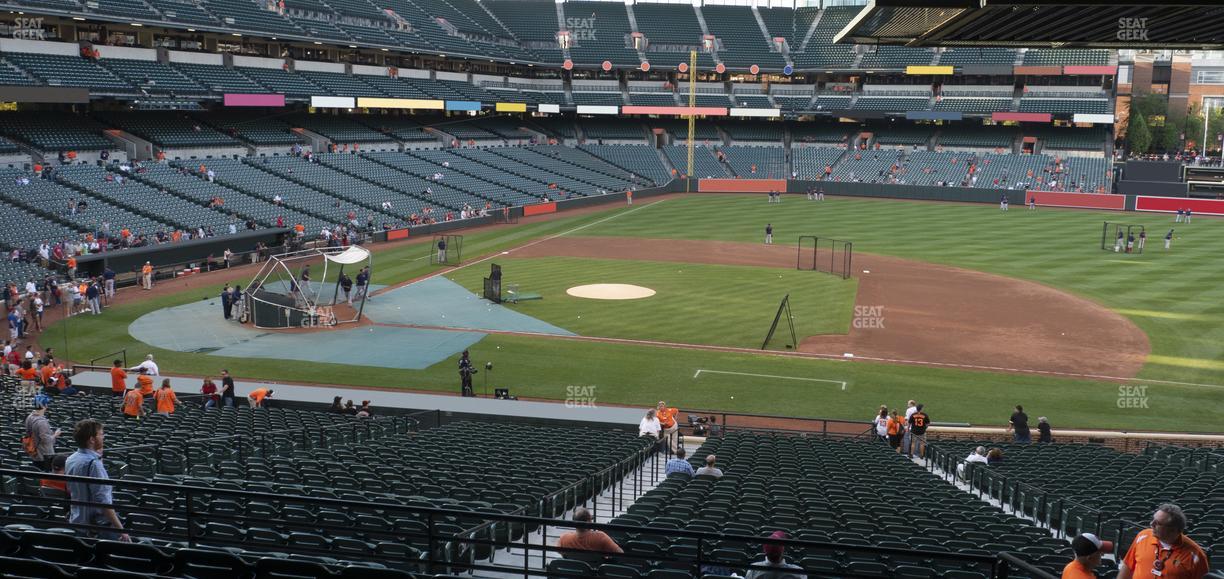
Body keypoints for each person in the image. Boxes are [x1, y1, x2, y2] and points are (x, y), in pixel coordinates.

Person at [65, 419, 130, 541]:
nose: (103, 437)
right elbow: (103, 502)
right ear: (92, 439)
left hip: (77, 521)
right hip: (97, 527)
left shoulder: (70, 459)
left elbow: (73, 488)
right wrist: (121, 530)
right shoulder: (94, 464)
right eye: (101, 434)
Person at [1118, 504, 1209, 579]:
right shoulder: (1143, 536)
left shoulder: (1195, 555)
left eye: (1158, 523)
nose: (1151, 524)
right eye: (1153, 519)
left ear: (1173, 530)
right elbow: (1128, 567)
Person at [556, 507, 622, 555]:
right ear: (588, 522)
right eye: (590, 519)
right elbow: (620, 553)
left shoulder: (563, 538)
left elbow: (560, 552)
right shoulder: (600, 537)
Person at [25, 394, 61, 471]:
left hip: (34, 452)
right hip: (43, 455)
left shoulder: (29, 417)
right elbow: (46, 440)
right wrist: (55, 435)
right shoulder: (42, 422)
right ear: (45, 405)